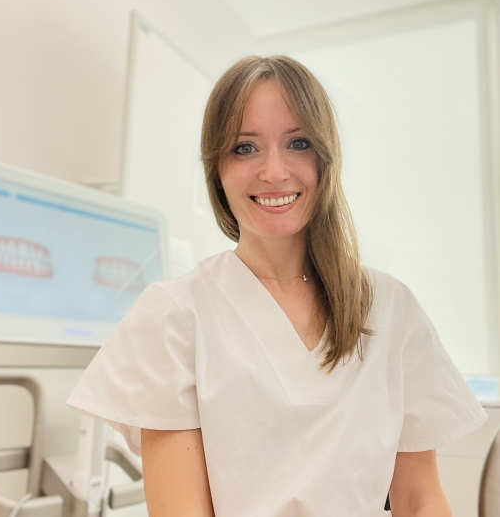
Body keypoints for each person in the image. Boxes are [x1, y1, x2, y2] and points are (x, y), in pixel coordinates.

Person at [67, 55, 487, 516]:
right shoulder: (173, 316)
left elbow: (420, 498)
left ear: (326, 158)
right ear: (216, 168)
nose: (274, 171)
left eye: (298, 143)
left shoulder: (389, 307)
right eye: (244, 147)